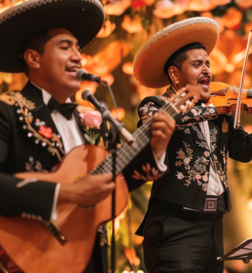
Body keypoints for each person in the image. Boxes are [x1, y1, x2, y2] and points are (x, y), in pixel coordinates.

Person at [0, 1, 175, 272]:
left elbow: (117, 182)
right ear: (33, 58)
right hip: (32, 253)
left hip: (91, 254)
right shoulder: (8, 110)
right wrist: (65, 192)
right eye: (64, 46)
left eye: (77, 48)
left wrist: (156, 150)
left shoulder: (95, 120)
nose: (77, 56)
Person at [132, 17, 252, 273]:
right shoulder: (154, 105)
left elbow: (244, 150)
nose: (207, 70)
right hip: (175, 225)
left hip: (214, 224)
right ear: (175, 74)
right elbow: (163, 124)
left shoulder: (218, 109)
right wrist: (207, 106)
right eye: (197, 63)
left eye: (208, 63)